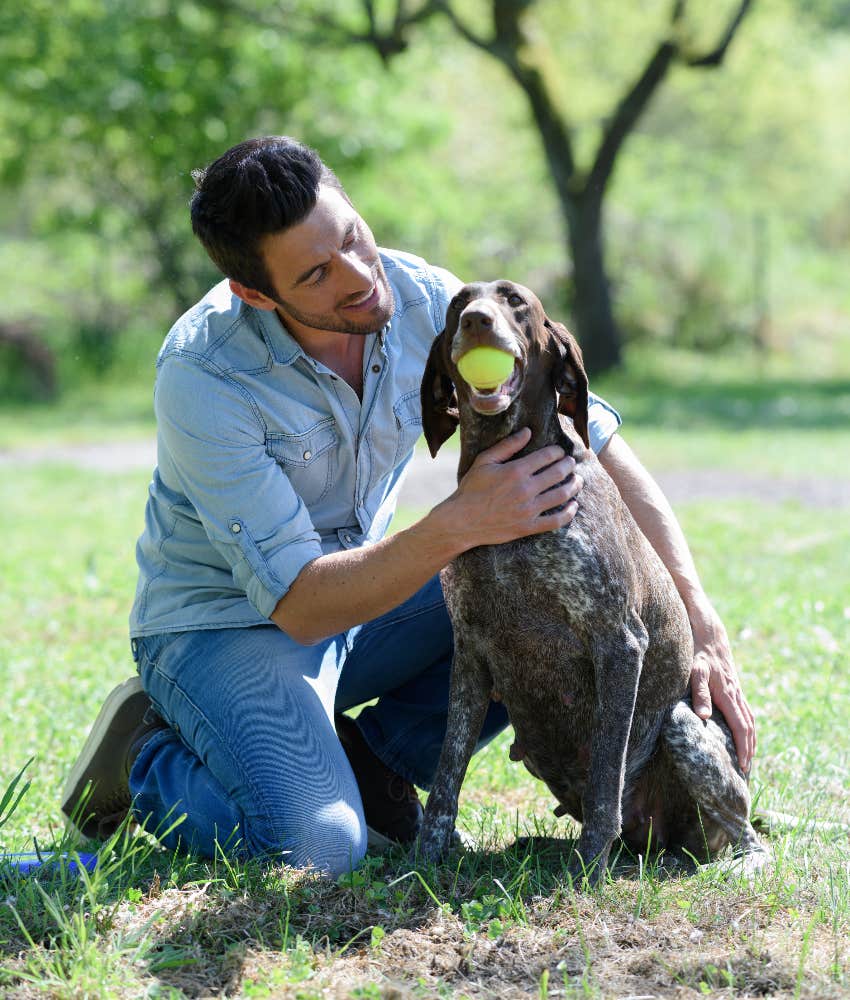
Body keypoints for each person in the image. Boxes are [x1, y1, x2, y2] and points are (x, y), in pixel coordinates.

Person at [62, 136, 755, 877]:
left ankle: (376, 762)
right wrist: (460, 523)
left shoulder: (427, 298)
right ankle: (149, 760)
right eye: (317, 274)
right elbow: (299, 605)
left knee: (535, 587)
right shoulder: (203, 375)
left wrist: (700, 618)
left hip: (369, 598)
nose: (360, 277)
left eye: (352, 237)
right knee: (320, 849)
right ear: (256, 295)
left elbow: (598, 442)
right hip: (230, 628)